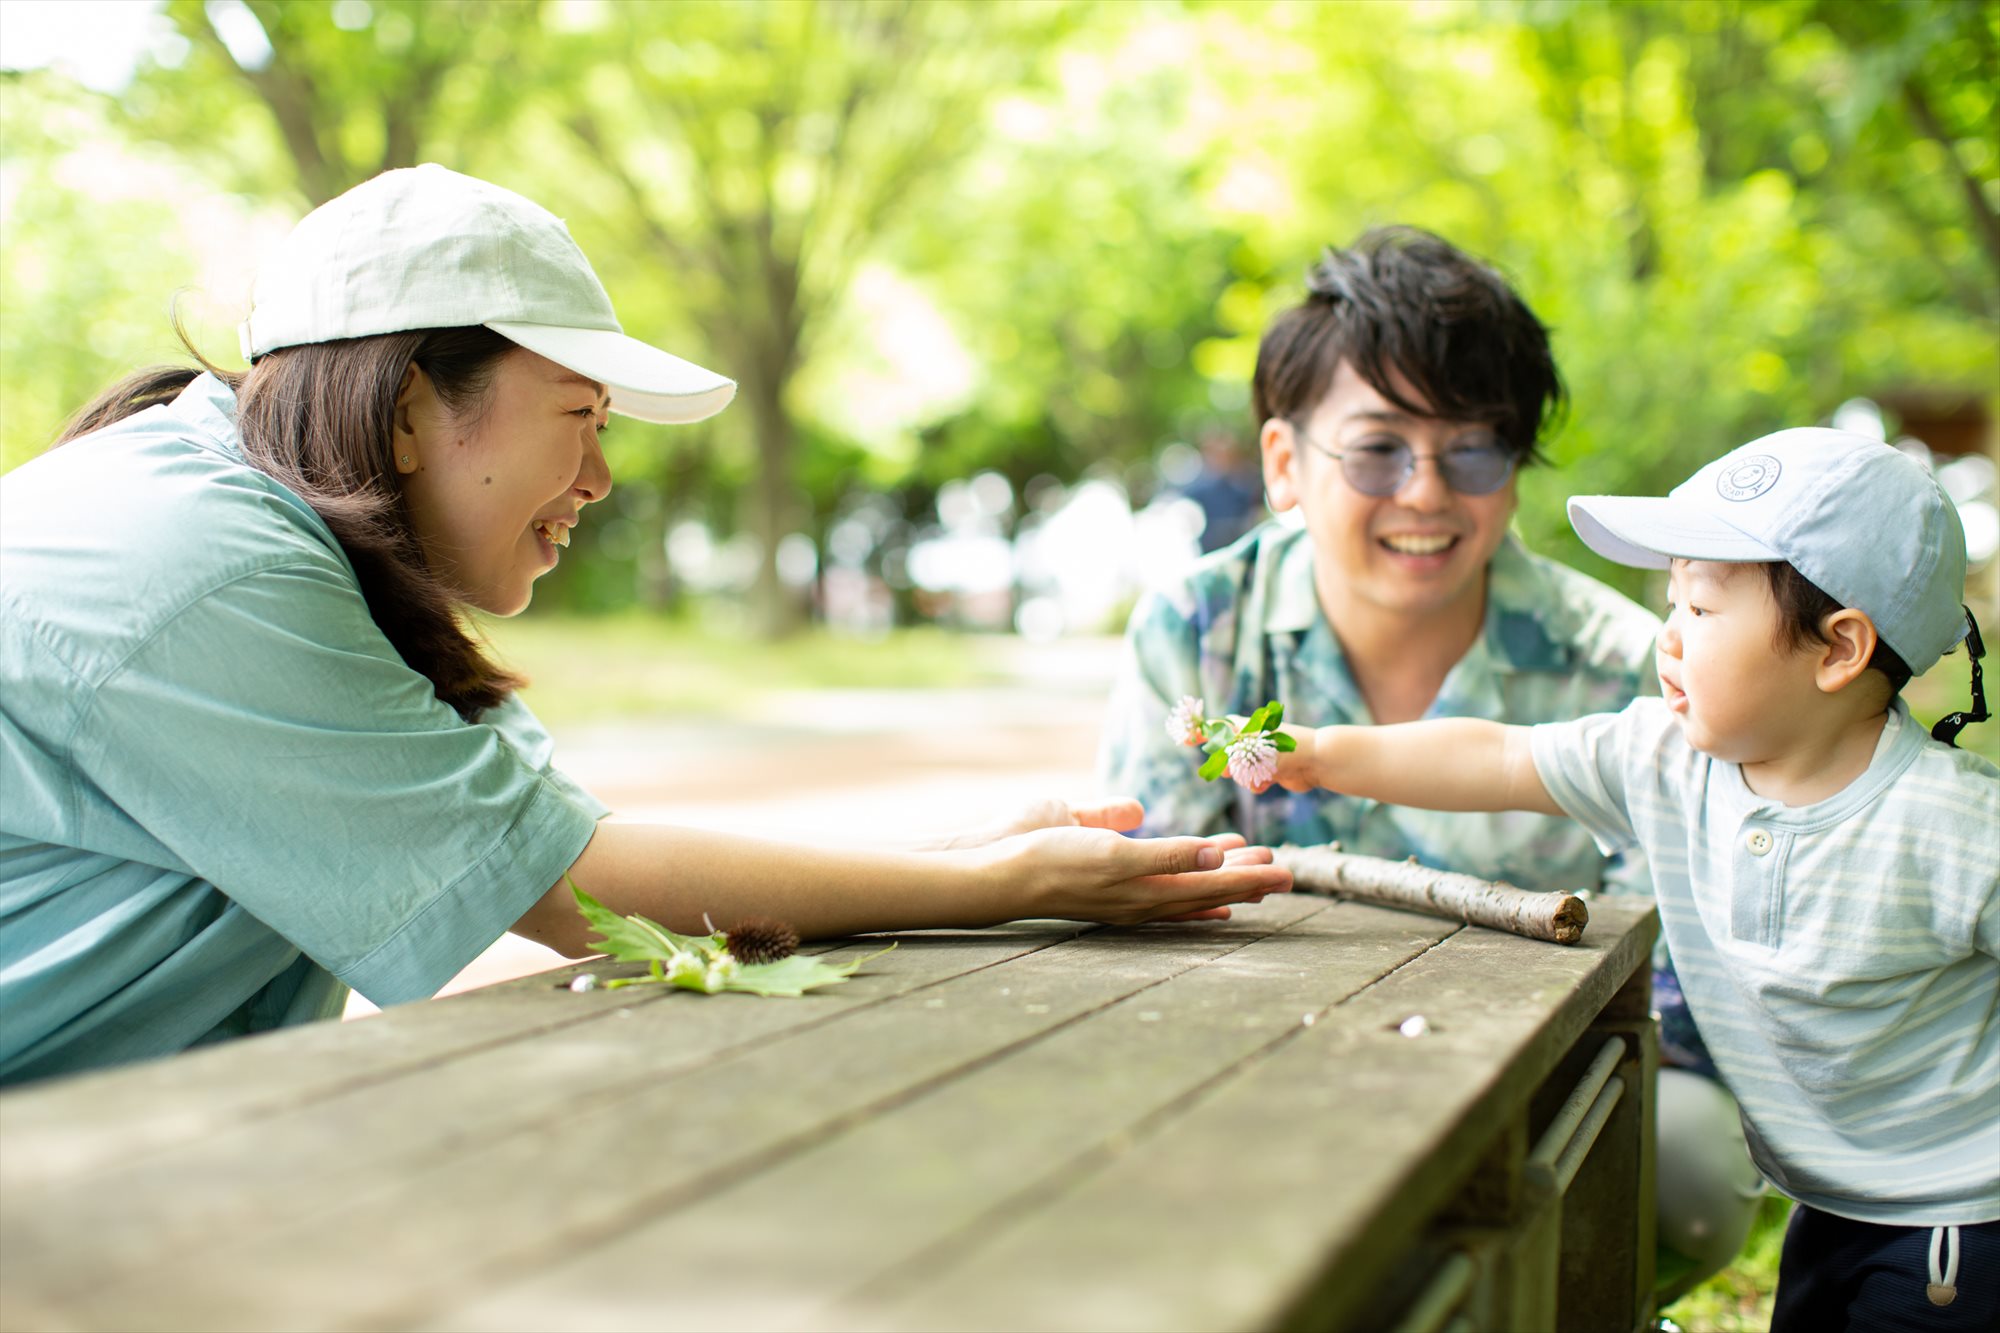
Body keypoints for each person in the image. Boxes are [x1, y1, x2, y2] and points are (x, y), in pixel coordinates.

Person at [0, 165, 1290, 1087]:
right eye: (581, 416)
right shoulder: (207, 569)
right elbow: (576, 897)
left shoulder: (257, 531)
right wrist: (992, 890)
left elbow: (567, 845)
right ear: (405, 408)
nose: (601, 480)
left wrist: (960, 847)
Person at [1097, 226, 1761, 1296]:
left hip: (1526, 1082)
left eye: (1473, 449)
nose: (1424, 493)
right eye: (1375, 450)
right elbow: (1141, 889)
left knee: (1686, 1161)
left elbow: (1674, 987)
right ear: (1283, 464)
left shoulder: (1617, 663)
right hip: (1246, 1057)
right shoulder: (1198, 630)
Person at [1256, 428, 1998, 1332]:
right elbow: (1498, 758)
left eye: (1702, 609)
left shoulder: (1957, 827)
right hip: (1830, 1199)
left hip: (1959, 1221)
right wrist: (1326, 753)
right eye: (1670, 601)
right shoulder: (1663, 759)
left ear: (1839, 648)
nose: (1668, 638)